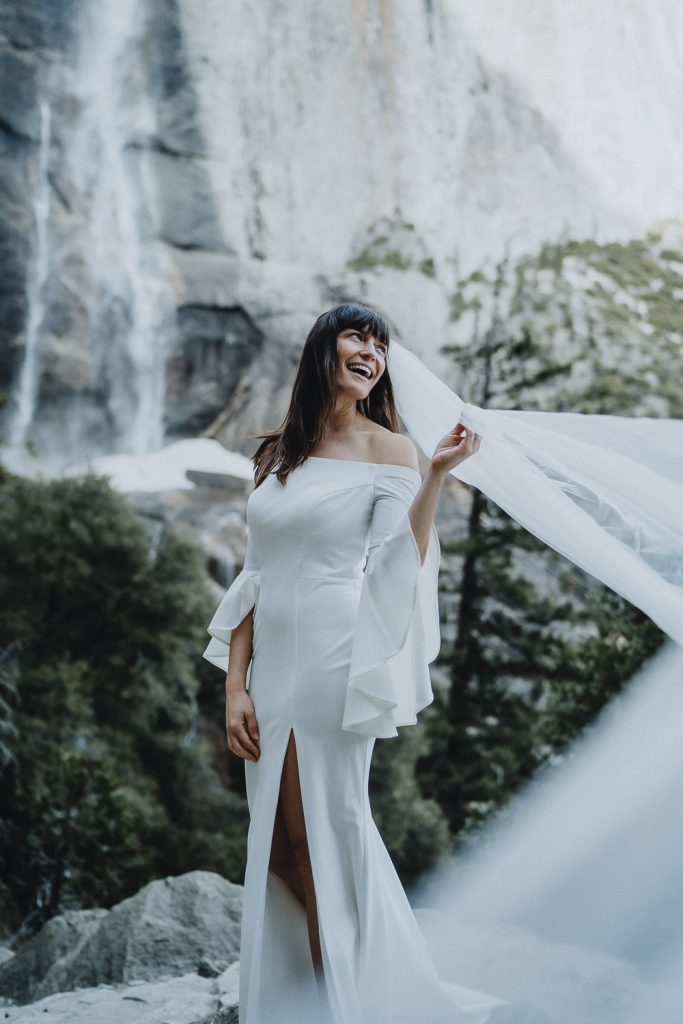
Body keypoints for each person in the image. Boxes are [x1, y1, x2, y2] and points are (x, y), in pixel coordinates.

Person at [202, 302, 504, 1023]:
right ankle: (325, 992)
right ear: (323, 349)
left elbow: (399, 561)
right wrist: (235, 687)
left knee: (320, 840)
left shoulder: (390, 450)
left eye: (380, 344)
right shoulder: (278, 453)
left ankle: (339, 1005)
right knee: (277, 849)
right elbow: (253, 577)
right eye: (355, 337)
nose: (370, 352)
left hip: (333, 659)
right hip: (270, 671)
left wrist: (433, 477)